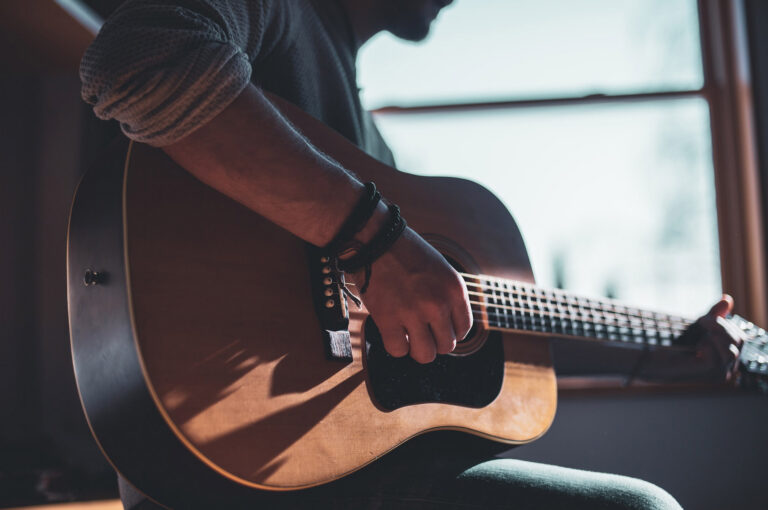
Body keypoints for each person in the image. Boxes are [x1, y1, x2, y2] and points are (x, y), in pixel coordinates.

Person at [80, 1, 744, 508]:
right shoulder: (281, 12)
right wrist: (374, 242)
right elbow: (140, 55)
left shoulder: (372, 150)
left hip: (344, 464)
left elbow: (484, 327)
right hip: (234, 466)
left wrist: (664, 343)